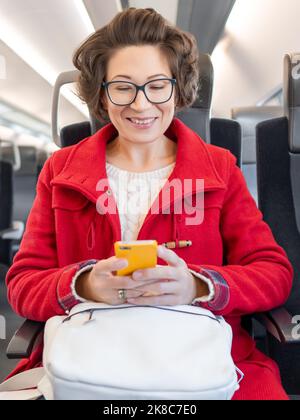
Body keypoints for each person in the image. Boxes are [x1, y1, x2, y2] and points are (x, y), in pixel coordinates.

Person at [5, 8, 293, 400]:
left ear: (178, 88)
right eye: (122, 87)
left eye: (157, 85)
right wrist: (84, 285)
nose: (141, 105)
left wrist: (197, 285)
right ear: (101, 94)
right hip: (88, 357)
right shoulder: (60, 170)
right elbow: (22, 284)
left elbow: (273, 274)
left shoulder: (219, 168)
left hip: (200, 359)